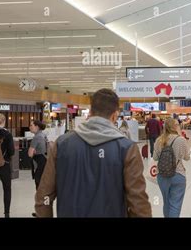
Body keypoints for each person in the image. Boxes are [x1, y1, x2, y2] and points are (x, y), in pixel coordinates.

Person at [35, 88, 151, 217]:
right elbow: (138, 203)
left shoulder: (62, 144)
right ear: (115, 115)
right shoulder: (127, 149)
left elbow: (43, 197)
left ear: (90, 112)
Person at [153, 117, 190, 218]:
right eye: (178, 124)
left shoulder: (158, 140)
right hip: (178, 174)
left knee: (167, 203)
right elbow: (187, 157)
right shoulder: (181, 140)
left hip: (162, 175)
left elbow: (155, 158)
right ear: (175, 127)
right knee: (175, 204)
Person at [28, 120, 48, 189]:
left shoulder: (36, 138)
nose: (29, 127)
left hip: (39, 164)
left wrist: (32, 151)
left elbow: (30, 154)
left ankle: (40, 199)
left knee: (39, 185)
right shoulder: (43, 135)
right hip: (45, 161)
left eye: (31, 125)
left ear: (37, 127)